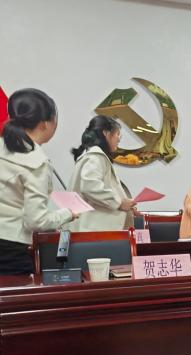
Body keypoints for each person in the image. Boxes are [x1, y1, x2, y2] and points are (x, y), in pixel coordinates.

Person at [0, 88, 77, 275]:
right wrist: (68, 213)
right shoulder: (36, 162)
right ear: (44, 124)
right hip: (9, 251)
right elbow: (36, 221)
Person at [68, 115, 137, 231]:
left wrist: (126, 205)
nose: (119, 139)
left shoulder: (92, 155)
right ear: (106, 133)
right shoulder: (96, 157)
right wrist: (119, 203)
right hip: (94, 232)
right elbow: (90, 187)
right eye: (117, 134)